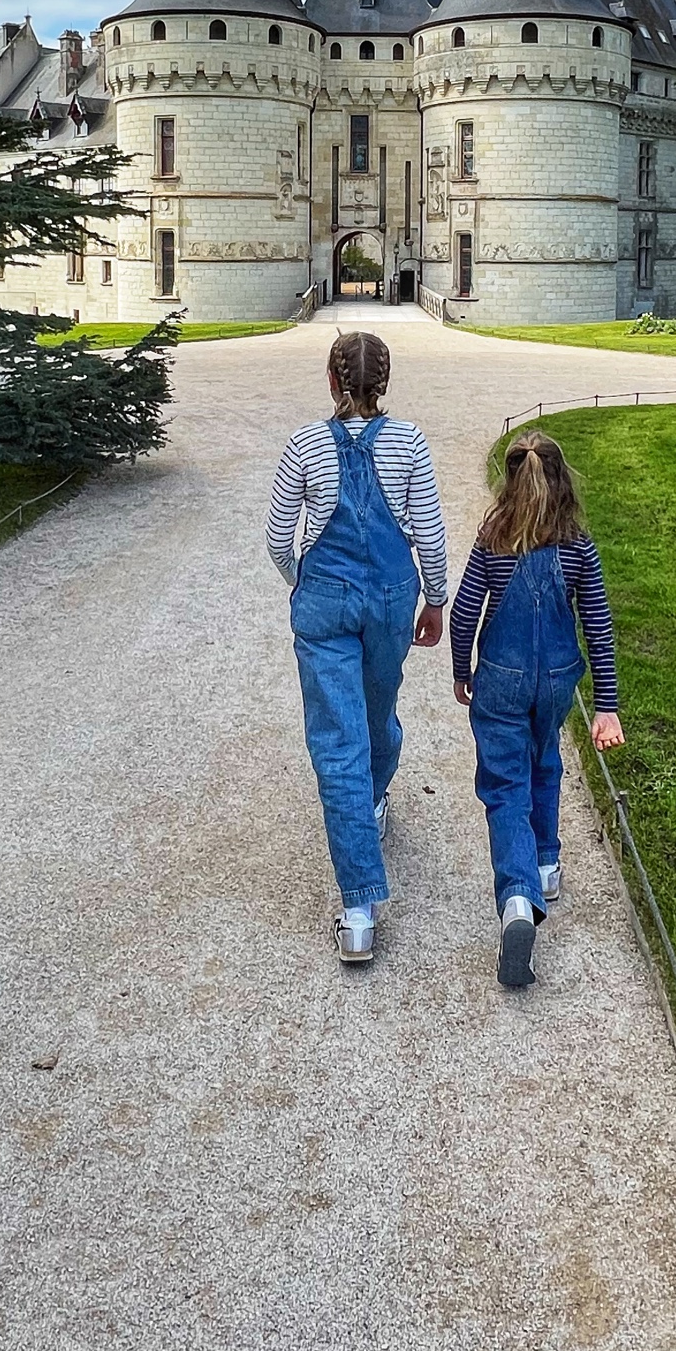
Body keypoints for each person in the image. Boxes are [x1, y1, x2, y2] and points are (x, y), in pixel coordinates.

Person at [267, 331, 447, 965]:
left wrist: (304, 581)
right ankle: (370, 805)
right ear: (385, 383)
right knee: (377, 712)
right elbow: (428, 529)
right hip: (390, 599)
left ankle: (359, 914)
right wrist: (435, 598)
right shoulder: (409, 442)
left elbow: (277, 536)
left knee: (339, 740)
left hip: (326, 599)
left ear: (331, 380)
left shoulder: (304, 444)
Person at [450, 431, 625, 989]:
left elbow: (464, 611)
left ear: (510, 480)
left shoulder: (493, 539)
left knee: (505, 786)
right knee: (545, 759)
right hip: (555, 680)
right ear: (562, 480)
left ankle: (518, 898)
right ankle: (547, 862)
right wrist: (606, 706)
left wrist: (461, 670)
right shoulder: (577, 545)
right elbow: (597, 624)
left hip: (500, 680)